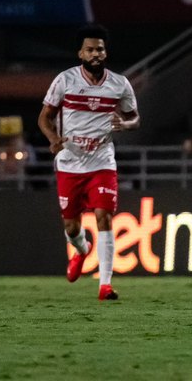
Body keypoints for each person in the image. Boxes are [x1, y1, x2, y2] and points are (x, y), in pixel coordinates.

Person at [37, 25, 140, 301]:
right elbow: (44, 117)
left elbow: (135, 118)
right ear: (80, 53)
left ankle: (104, 286)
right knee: (71, 226)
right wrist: (52, 138)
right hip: (69, 162)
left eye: (100, 49)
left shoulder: (119, 84)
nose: (96, 54)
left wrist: (126, 124)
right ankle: (82, 251)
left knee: (104, 216)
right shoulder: (65, 80)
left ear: (106, 52)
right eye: (91, 49)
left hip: (102, 161)